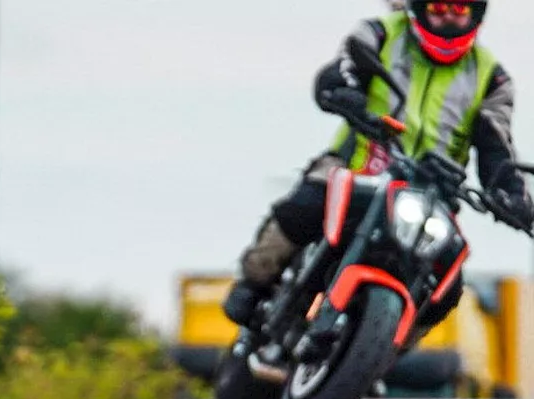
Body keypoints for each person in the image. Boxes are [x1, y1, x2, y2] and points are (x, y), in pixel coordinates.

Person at [223, 1, 534, 335]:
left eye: (458, 9)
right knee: (305, 206)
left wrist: (513, 197)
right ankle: (253, 283)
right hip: (356, 165)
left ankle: (387, 347)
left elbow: (496, 150)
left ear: (475, 14)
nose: (447, 18)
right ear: (419, 8)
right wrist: (345, 96)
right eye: (438, 7)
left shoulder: (492, 78)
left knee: (447, 287)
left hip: (431, 197)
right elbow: (339, 73)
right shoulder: (381, 34)